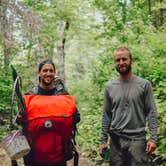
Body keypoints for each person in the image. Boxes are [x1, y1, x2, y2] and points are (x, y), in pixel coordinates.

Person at [99, 47, 158, 166]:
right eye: (117, 60)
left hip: (137, 140)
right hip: (116, 141)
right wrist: (103, 141)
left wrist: (153, 138)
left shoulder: (144, 85)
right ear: (114, 63)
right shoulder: (109, 86)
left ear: (131, 60)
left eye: (124, 59)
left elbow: (151, 112)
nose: (121, 63)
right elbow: (106, 115)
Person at [21, 59, 80, 166]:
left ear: (54, 73)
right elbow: (21, 123)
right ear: (39, 73)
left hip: (59, 156)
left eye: (51, 71)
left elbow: (76, 118)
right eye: (45, 70)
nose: (48, 73)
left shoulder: (64, 96)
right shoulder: (28, 97)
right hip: (34, 157)